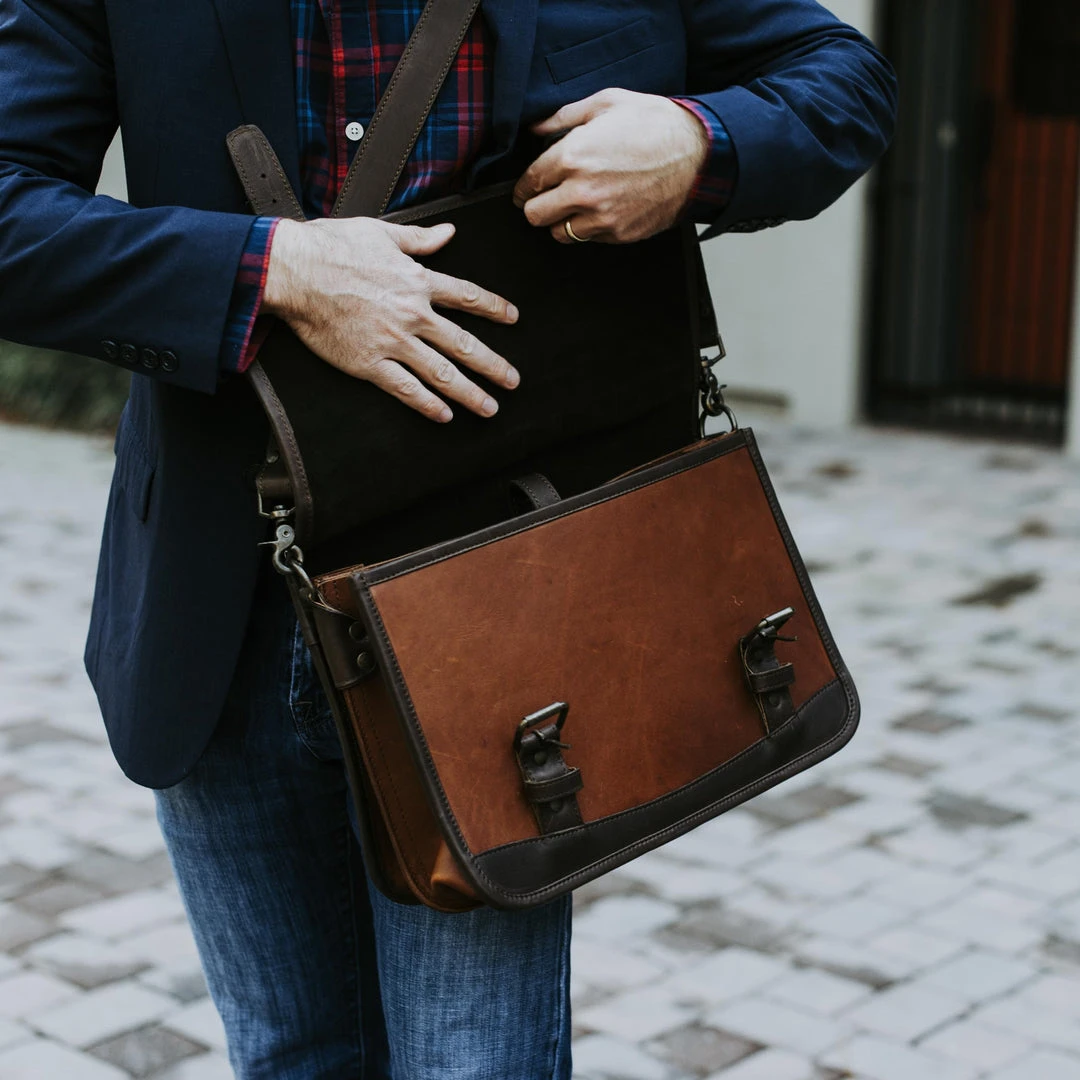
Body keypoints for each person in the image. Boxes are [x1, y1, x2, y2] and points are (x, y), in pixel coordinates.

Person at [0, 1, 896, 1076]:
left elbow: (842, 79)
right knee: (290, 1058)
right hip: (218, 598)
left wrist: (700, 142)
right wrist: (269, 270)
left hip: (501, 619)